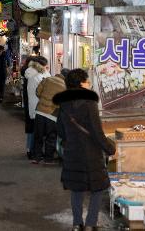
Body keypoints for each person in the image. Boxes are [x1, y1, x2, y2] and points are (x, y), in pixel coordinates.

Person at [53, 69, 116, 231]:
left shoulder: (63, 104)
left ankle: (76, 224)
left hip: (72, 152)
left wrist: (72, 139)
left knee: (76, 189)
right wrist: (110, 148)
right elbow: (96, 132)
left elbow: (60, 130)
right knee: (98, 187)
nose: (89, 84)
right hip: (91, 154)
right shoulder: (89, 103)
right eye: (87, 81)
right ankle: (90, 224)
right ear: (81, 83)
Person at [32, 69, 69, 164]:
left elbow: (37, 92)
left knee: (38, 135)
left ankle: (36, 157)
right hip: (52, 114)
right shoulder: (65, 87)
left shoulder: (48, 79)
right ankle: (48, 159)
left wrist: (43, 100)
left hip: (40, 111)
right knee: (51, 136)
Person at [25, 56, 50, 156]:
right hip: (38, 106)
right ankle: (33, 151)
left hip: (35, 105)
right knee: (36, 130)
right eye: (45, 66)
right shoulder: (37, 76)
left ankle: (31, 150)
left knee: (34, 129)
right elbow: (42, 92)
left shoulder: (33, 74)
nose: (46, 67)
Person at [20, 56, 37, 159]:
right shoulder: (33, 77)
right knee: (34, 128)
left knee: (31, 128)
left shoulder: (28, 74)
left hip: (29, 106)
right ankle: (31, 150)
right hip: (34, 106)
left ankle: (29, 149)